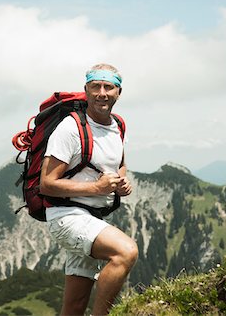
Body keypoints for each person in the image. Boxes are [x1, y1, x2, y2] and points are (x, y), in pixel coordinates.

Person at [40, 63, 138, 316]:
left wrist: (121, 182)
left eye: (108, 87)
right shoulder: (70, 129)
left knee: (73, 307)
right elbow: (47, 184)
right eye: (95, 86)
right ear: (86, 90)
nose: (101, 93)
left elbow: (120, 163)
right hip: (66, 217)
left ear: (119, 92)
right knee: (125, 252)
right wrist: (97, 187)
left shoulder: (118, 125)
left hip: (92, 217)